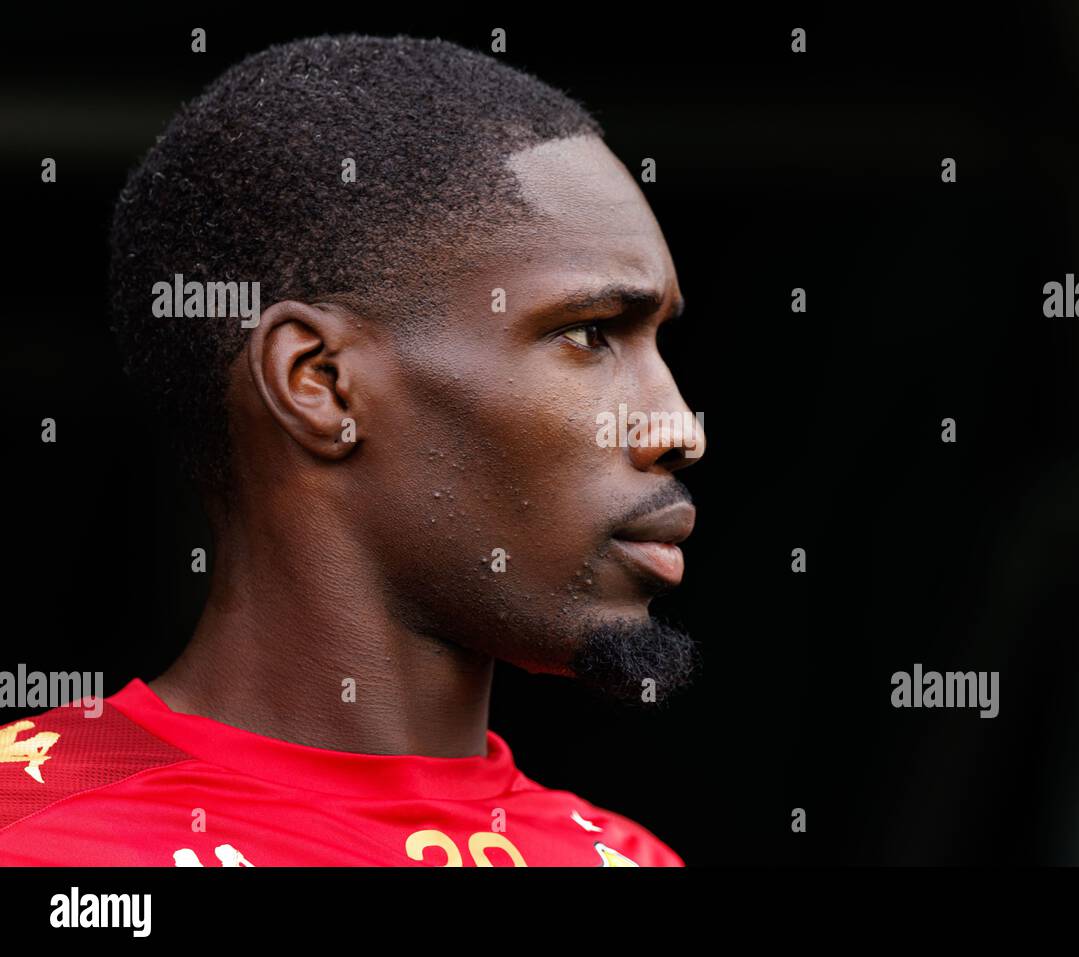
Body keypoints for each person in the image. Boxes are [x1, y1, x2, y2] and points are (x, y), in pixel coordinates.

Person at [0, 33, 704, 866]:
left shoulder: (627, 858)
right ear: (320, 383)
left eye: (658, 342)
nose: (679, 427)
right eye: (590, 334)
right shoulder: (35, 832)